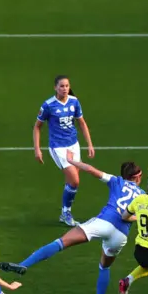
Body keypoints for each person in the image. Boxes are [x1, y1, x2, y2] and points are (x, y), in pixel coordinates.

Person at [2, 151, 144, 294]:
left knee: (62, 242)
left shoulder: (116, 181)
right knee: (104, 267)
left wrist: (72, 161)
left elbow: (91, 170)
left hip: (104, 222)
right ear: (137, 177)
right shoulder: (143, 194)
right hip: (121, 234)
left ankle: (24, 265)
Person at [33, 75, 95, 226]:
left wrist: (90, 144)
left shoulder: (74, 102)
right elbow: (37, 127)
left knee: (71, 182)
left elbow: (82, 123)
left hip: (73, 145)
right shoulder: (48, 105)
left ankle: (65, 213)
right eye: (61, 86)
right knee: (75, 180)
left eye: (67, 86)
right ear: (55, 88)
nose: (65, 89)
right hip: (58, 146)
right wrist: (37, 149)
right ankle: (66, 213)